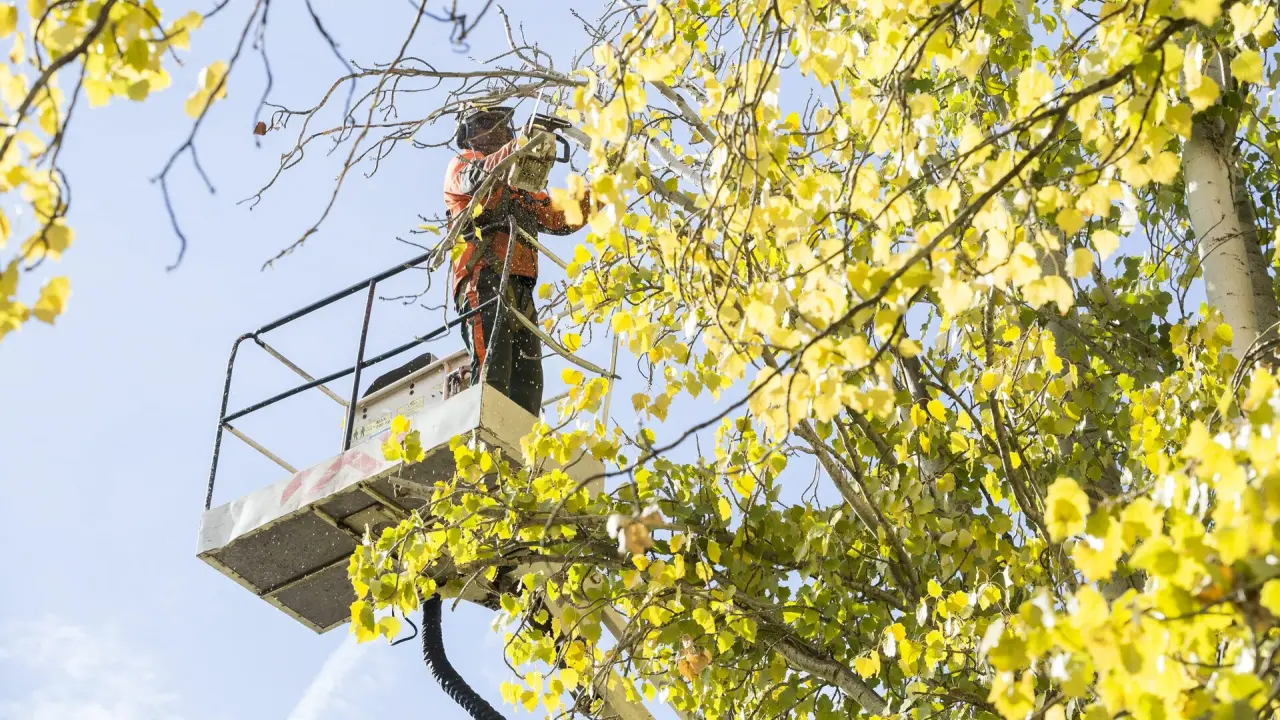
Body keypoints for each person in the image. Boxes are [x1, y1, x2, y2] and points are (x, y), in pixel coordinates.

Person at [443, 104, 591, 416]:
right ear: (469, 134)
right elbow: (479, 178)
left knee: (528, 387)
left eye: (500, 125)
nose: (495, 131)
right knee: (492, 370)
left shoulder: (519, 185)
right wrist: (518, 147)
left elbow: (559, 217)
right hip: (482, 280)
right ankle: (481, 434)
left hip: (520, 291)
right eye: (486, 124)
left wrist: (603, 188)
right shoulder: (463, 166)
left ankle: (522, 442)